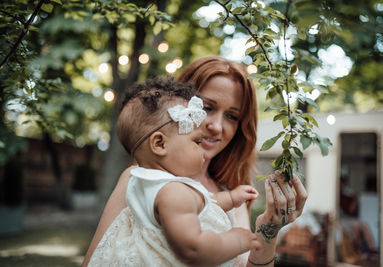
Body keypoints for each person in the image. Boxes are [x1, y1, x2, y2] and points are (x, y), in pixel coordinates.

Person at [83, 56, 308, 267]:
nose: (217, 126)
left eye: (231, 116)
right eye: (207, 108)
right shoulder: (142, 179)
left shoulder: (231, 193)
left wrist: (268, 230)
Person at [88, 76, 262, 266]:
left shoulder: (145, 183)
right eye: (196, 141)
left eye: (232, 116)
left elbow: (202, 205)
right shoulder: (172, 191)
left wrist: (231, 198)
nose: (201, 147)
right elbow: (194, 249)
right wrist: (237, 240)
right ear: (160, 144)